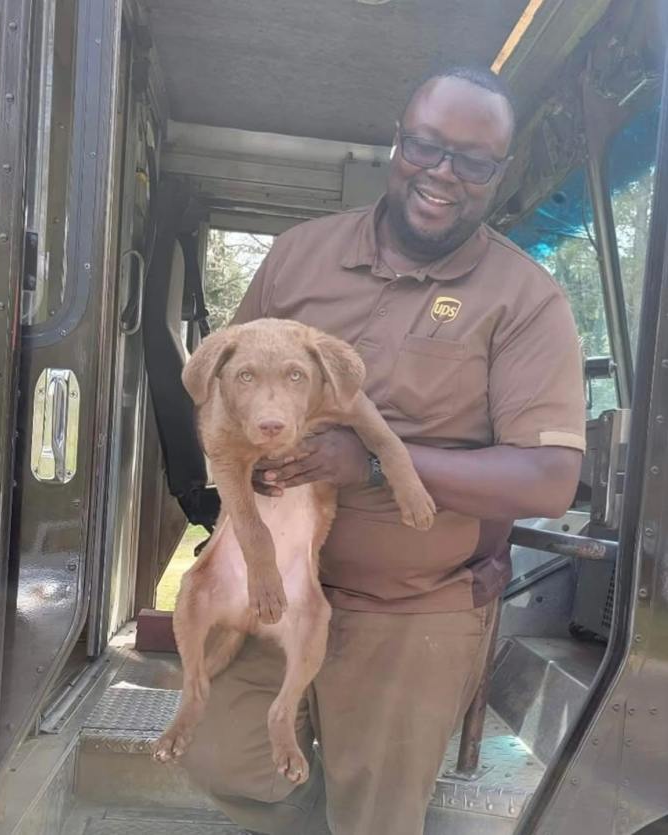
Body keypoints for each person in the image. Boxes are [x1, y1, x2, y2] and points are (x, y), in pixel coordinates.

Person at [182, 65, 586, 835]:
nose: (443, 174)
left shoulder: (526, 299)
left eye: (473, 161)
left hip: (411, 607)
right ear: (396, 143)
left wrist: (371, 463)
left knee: (375, 817)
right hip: (279, 582)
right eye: (428, 146)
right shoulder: (300, 255)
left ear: (499, 175)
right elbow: (222, 386)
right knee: (220, 755)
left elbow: (548, 478)